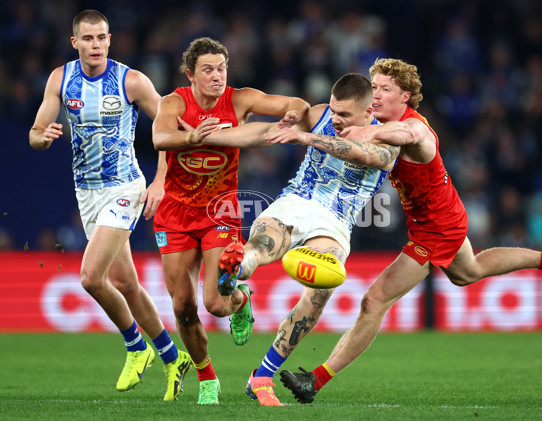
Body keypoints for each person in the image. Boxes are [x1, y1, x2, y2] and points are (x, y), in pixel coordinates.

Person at [272, 58, 542, 403]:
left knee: (374, 300)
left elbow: (406, 135)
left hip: (436, 229)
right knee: (468, 271)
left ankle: (314, 382)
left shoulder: (415, 128)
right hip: (441, 215)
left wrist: (371, 131)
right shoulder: (380, 119)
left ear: (406, 96)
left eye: (385, 89)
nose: (376, 95)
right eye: (374, 87)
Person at [190, 72, 396, 406]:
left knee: (319, 294)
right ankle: (240, 267)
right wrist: (218, 137)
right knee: (262, 244)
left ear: (367, 110)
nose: (336, 119)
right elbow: (268, 133)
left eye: (345, 115)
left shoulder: (388, 137)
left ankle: (261, 376)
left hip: (335, 223)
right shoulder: (318, 115)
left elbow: (367, 156)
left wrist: (308, 139)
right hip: (297, 201)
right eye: (334, 111)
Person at [28, 10, 191, 401]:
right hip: (87, 191)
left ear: (110, 39)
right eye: (88, 39)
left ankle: (137, 347)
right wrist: (43, 135)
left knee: (89, 277)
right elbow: (34, 135)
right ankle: (173, 356)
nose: (96, 45)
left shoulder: (131, 80)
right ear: (75, 43)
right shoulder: (59, 79)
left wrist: (159, 182)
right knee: (126, 285)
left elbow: (170, 128)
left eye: (101, 38)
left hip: (125, 187)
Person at [150, 37, 310, 404]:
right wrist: (191, 135)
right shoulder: (174, 102)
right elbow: (159, 137)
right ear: (190, 74)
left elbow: (296, 102)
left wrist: (290, 115)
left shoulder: (240, 99)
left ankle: (241, 299)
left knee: (217, 305)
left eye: (221, 68)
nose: (217, 76)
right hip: (175, 213)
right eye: (208, 69)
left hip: (218, 211)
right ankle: (207, 377)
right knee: (181, 307)